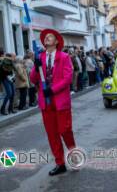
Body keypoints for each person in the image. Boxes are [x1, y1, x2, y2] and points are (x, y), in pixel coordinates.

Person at [30, 29, 76, 176]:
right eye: (46, 37)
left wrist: (53, 89)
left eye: (50, 37)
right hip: (46, 102)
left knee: (65, 130)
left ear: (56, 41)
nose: (47, 38)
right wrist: (36, 67)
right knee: (52, 133)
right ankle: (60, 163)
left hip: (60, 100)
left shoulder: (64, 57)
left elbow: (68, 78)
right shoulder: (40, 57)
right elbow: (33, 79)